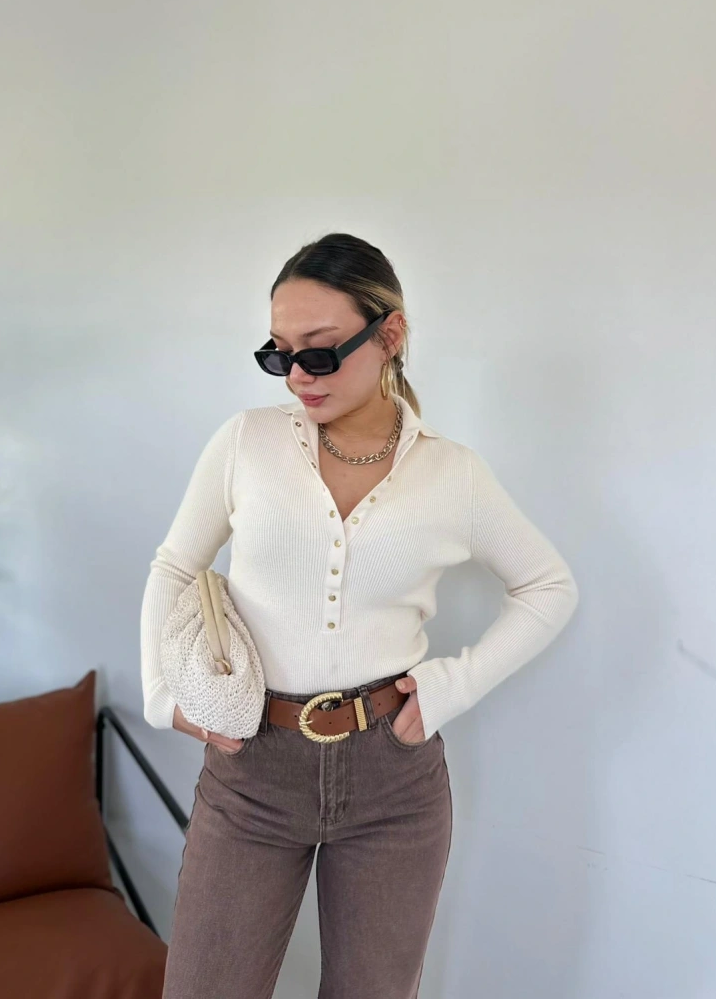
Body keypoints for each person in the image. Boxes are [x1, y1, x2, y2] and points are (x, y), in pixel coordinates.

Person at [140, 232, 580, 999]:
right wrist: (160, 696)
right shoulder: (247, 442)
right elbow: (175, 566)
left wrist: (451, 687)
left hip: (393, 780)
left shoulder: (453, 474)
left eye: (319, 352)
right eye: (279, 355)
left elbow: (549, 586)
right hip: (252, 770)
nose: (298, 377)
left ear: (391, 334)